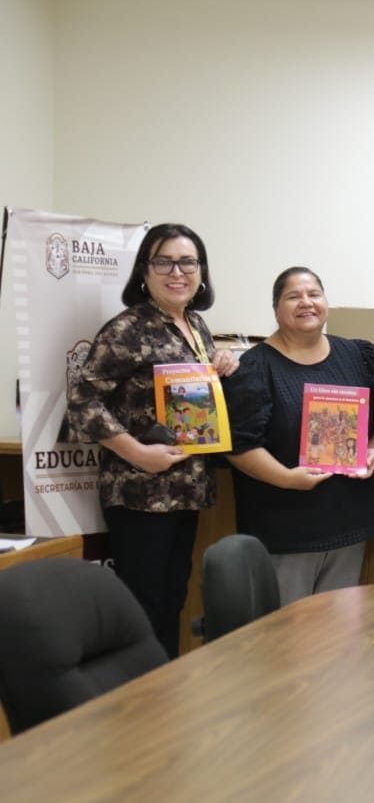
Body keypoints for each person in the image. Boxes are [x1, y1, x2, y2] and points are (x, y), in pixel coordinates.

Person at [65, 223, 239, 658]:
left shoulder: (194, 323)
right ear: (144, 270)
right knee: (142, 606)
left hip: (185, 489)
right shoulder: (127, 328)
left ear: (201, 272)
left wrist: (220, 362)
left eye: (188, 262)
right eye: (164, 261)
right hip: (141, 492)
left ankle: (162, 697)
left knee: (171, 601)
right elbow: (82, 402)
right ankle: (137, 708)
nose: (177, 272)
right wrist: (138, 453)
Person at [223, 267, 374, 605]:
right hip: (284, 528)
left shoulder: (357, 355)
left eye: (314, 294)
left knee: (338, 639)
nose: (306, 303)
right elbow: (238, 444)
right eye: (293, 296)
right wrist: (285, 478)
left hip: (347, 522)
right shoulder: (254, 366)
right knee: (288, 641)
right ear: (276, 309)